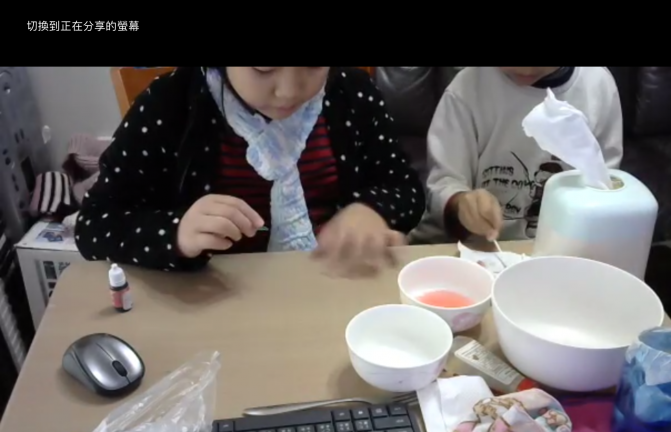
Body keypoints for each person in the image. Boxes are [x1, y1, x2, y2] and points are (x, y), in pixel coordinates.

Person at [75, 67, 425, 276]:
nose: (289, 90)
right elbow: (94, 224)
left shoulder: (353, 94)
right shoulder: (169, 104)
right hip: (214, 298)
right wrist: (176, 232)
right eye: (263, 67)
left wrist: (372, 209)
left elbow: (405, 189)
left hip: (331, 285)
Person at [410, 66, 623, 244]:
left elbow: (607, 186)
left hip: (559, 250)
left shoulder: (597, 88)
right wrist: (462, 203)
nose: (526, 70)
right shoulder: (468, 88)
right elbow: (445, 182)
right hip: (467, 246)